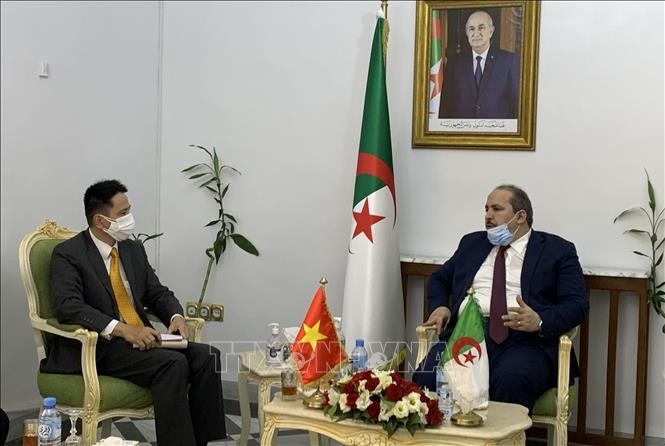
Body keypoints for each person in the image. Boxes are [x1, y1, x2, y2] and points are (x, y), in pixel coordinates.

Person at [42, 179, 226, 446]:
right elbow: (68, 305)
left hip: (141, 338)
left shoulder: (132, 248)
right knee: (173, 363)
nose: (130, 219)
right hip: (99, 346)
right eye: (123, 213)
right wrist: (122, 329)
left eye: (129, 210)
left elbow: (157, 292)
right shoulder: (69, 254)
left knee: (208, 357)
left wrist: (176, 317)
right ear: (100, 221)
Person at [413, 185, 589, 411]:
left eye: (496, 209)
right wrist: (439, 306)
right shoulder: (472, 243)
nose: (488, 215)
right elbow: (440, 278)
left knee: (511, 379)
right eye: (486, 209)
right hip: (467, 334)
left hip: (525, 341)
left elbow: (577, 304)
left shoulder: (557, 250)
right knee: (427, 376)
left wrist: (539, 320)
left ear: (520, 216)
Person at [438, 10, 520, 119]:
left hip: (496, 128)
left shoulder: (509, 61)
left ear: (491, 31)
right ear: (467, 32)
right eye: (471, 29)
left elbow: (516, 106)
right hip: (463, 128)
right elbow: (446, 107)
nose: (476, 33)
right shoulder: (454, 63)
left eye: (481, 28)